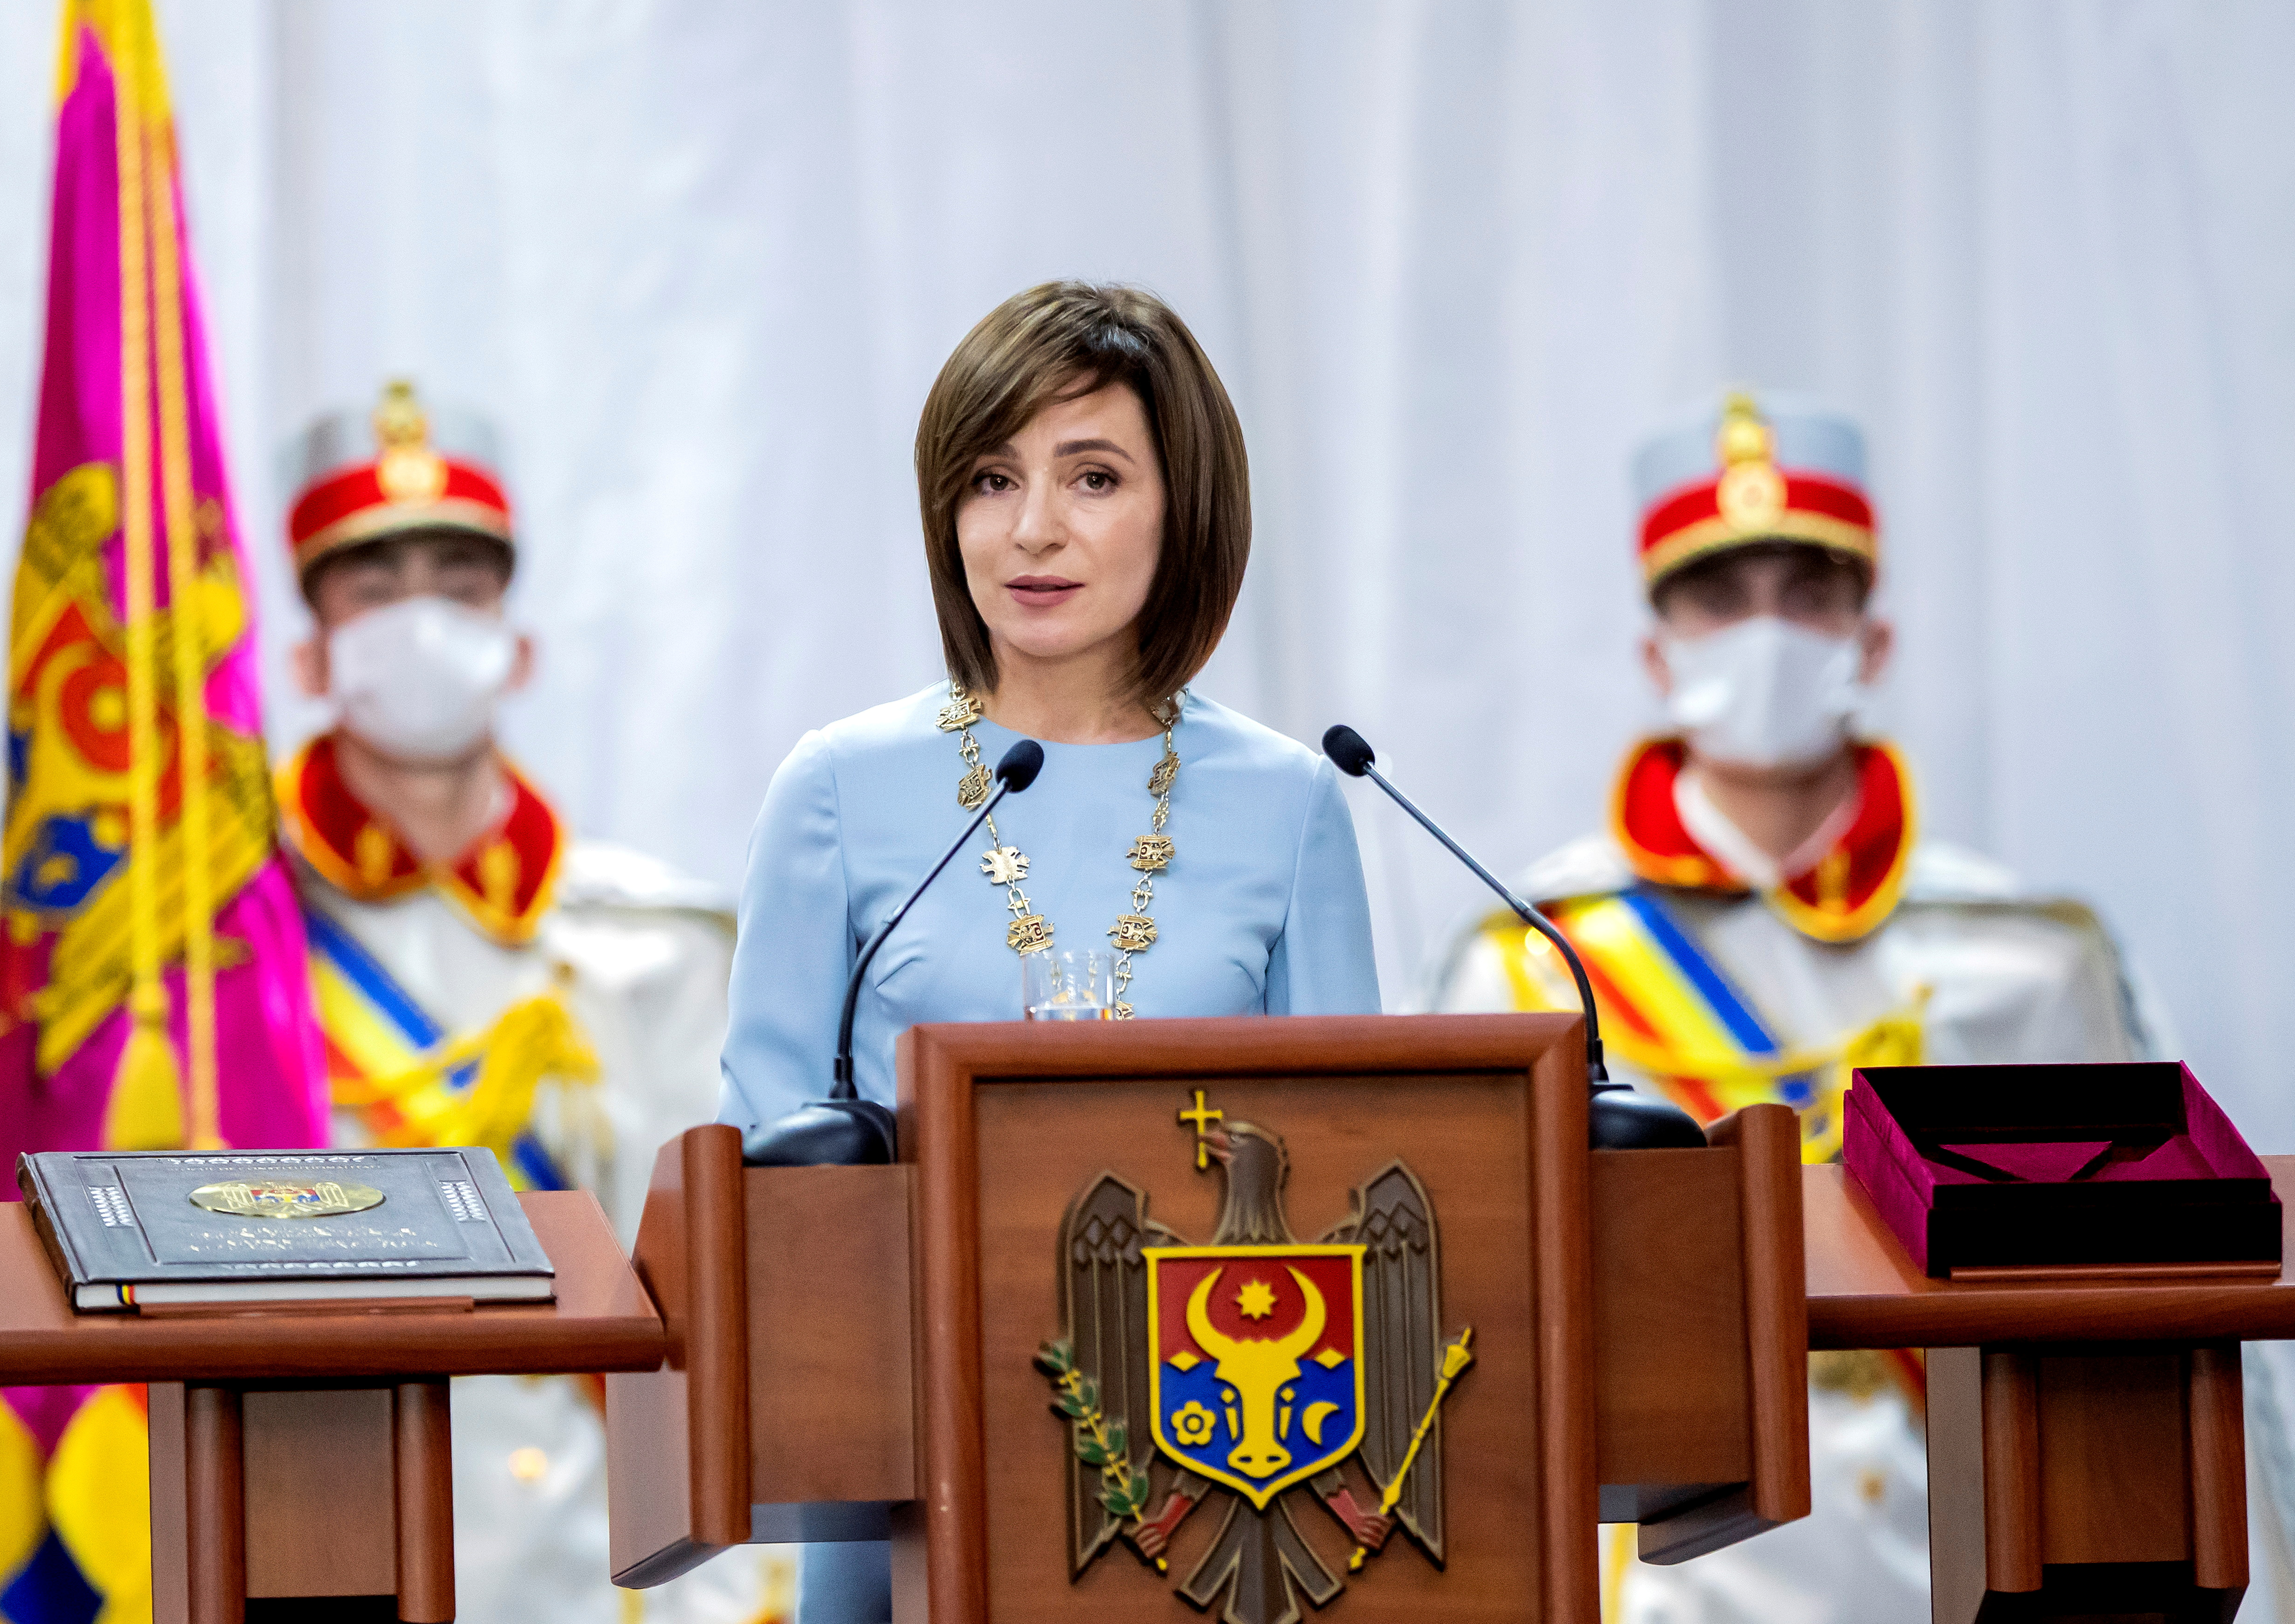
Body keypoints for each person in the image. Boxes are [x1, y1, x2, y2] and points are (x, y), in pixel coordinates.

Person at [1433, 391, 2161, 1624]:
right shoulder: (1532, 958)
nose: (1763, 631)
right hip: (1650, 1579)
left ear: (1869, 641)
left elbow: (2145, 1326)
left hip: (1955, 1556)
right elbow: (1459, 1344)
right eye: (1719, 599)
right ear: (1659, 654)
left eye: (1807, 591)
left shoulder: (2023, 956)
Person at [719, 282, 1381, 1620]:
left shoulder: (1291, 800)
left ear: (1181, 504)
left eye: (1092, 476)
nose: (1031, 529)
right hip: (906, 1473)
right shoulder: (840, 786)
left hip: (1229, 1492)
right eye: (990, 477)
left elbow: (1361, 1189)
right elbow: (765, 1179)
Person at [276, 381, 784, 1624]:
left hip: (607, 1577)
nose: (421, 620)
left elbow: (723, 1323)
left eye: (460, 580)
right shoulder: (234, 959)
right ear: (309, 648)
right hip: (323, 1551)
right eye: (374, 587)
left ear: (516, 634)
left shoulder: (657, 945)